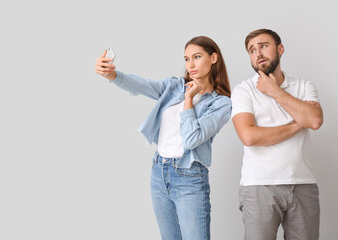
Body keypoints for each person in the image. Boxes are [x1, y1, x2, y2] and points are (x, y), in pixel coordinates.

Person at [95, 36, 231, 240]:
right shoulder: (175, 86)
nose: (191, 64)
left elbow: (192, 139)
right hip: (159, 172)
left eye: (197, 57)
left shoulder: (221, 104)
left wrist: (188, 99)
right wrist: (113, 75)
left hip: (190, 178)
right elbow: (141, 85)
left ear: (213, 58)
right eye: (186, 59)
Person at [231, 29, 323, 240]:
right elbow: (249, 136)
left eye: (263, 46)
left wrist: (274, 91)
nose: (258, 53)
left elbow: (315, 120)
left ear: (280, 49)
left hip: (303, 184)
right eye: (252, 50)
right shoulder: (243, 90)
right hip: (258, 186)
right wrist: (299, 122)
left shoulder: (304, 85)